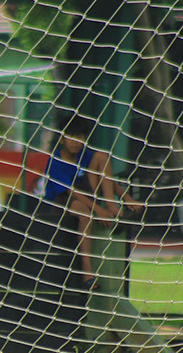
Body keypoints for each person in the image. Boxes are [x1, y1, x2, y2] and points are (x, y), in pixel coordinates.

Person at [35, 115, 142, 290]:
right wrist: (98, 211)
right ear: (62, 139)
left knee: (102, 157)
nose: (76, 142)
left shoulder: (84, 156)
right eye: (71, 137)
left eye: (80, 137)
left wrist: (126, 198)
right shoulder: (55, 161)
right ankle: (87, 273)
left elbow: (105, 177)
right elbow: (71, 192)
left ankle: (113, 207)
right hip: (64, 201)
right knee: (84, 213)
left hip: (86, 194)